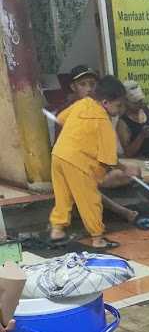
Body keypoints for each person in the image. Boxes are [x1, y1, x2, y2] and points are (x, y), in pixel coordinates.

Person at [49, 75, 138, 250]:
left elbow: (60, 118)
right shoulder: (103, 122)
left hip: (58, 156)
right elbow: (109, 159)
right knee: (90, 200)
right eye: (118, 105)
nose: (120, 110)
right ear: (105, 102)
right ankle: (98, 238)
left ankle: (57, 230)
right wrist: (125, 168)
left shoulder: (82, 104)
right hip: (78, 162)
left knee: (64, 197)